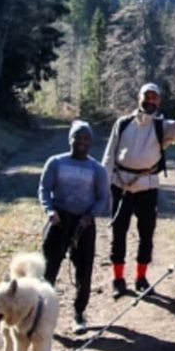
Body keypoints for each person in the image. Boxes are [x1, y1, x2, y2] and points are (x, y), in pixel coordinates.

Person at [102, 83, 175, 300]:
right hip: (120, 184)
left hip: (148, 186)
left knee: (146, 233)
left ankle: (141, 278)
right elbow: (109, 155)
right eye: (146, 97)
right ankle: (118, 279)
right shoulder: (123, 124)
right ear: (138, 98)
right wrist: (102, 186)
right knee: (118, 232)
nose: (150, 101)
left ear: (159, 101)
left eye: (154, 98)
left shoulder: (162, 127)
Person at [38, 120, 109, 333]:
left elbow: (102, 197)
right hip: (60, 221)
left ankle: (79, 314)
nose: (82, 142)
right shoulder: (55, 162)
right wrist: (50, 211)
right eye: (78, 137)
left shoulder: (97, 169)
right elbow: (44, 189)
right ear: (70, 139)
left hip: (84, 223)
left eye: (86, 138)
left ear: (91, 142)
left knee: (84, 272)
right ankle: (42, 314)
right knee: (49, 269)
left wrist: (91, 216)